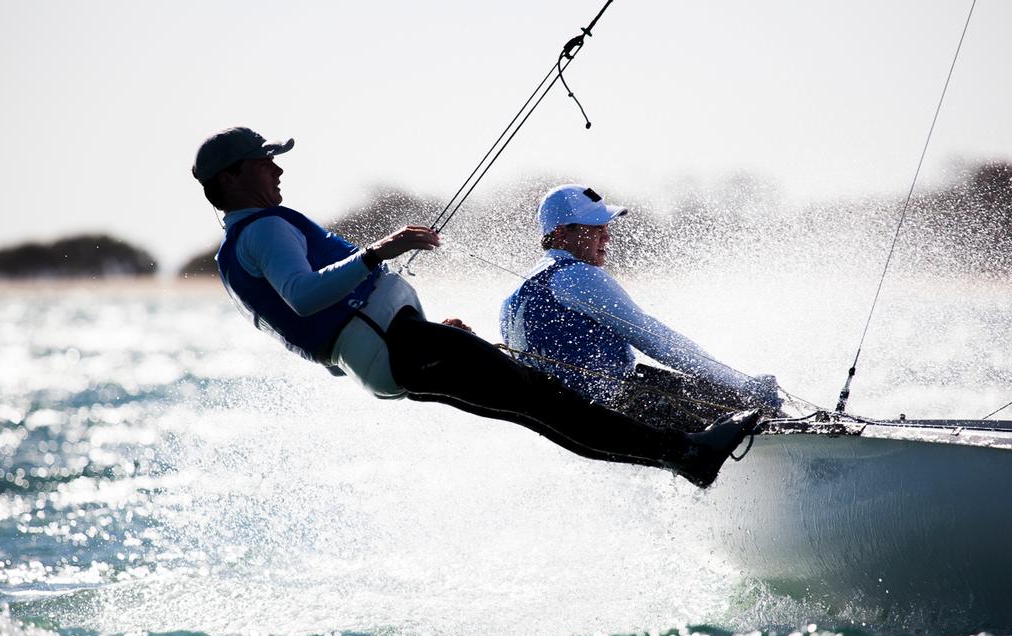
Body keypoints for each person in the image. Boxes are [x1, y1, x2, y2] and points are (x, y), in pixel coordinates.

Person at [192, 127, 759, 487]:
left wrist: (430, 332)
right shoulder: (262, 229)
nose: (278, 169)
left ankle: (684, 456)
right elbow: (306, 295)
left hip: (400, 350)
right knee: (544, 401)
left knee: (538, 406)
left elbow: (328, 319)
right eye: (266, 162)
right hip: (401, 350)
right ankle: (686, 455)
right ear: (232, 176)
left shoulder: (240, 243)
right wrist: (384, 249)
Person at [500, 184, 781, 432]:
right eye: (596, 228)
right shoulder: (575, 275)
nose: (606, 237)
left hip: (572, 425)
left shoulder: (513, 299)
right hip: (619, 410)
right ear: (562, 235)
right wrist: (741, 384)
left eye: (606, 227)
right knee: (753, 406)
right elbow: (653, 338)